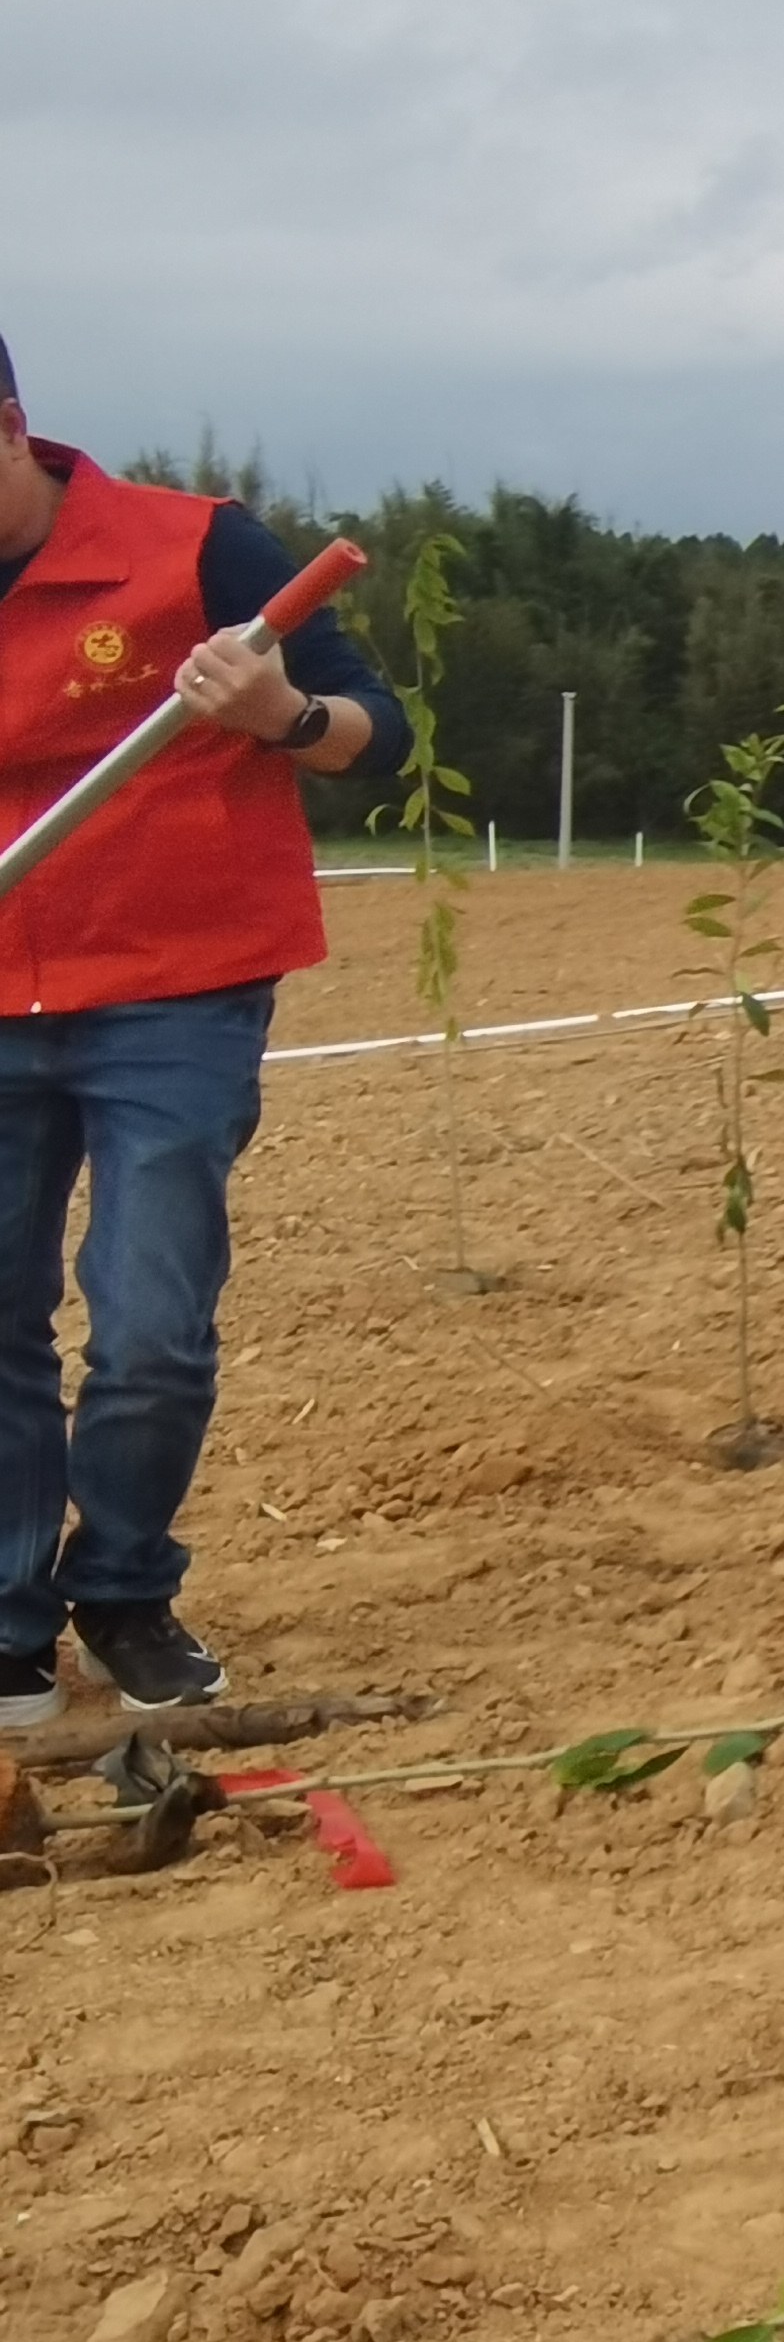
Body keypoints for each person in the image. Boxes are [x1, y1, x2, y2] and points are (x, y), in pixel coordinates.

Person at [0, 352, 409, 1731]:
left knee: (151, 1324)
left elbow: (378, 735)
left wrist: (277, 716)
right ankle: (5, 1616)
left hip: (174, 999)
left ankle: (120, 1587)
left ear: (11, 429)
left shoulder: (198, 551)